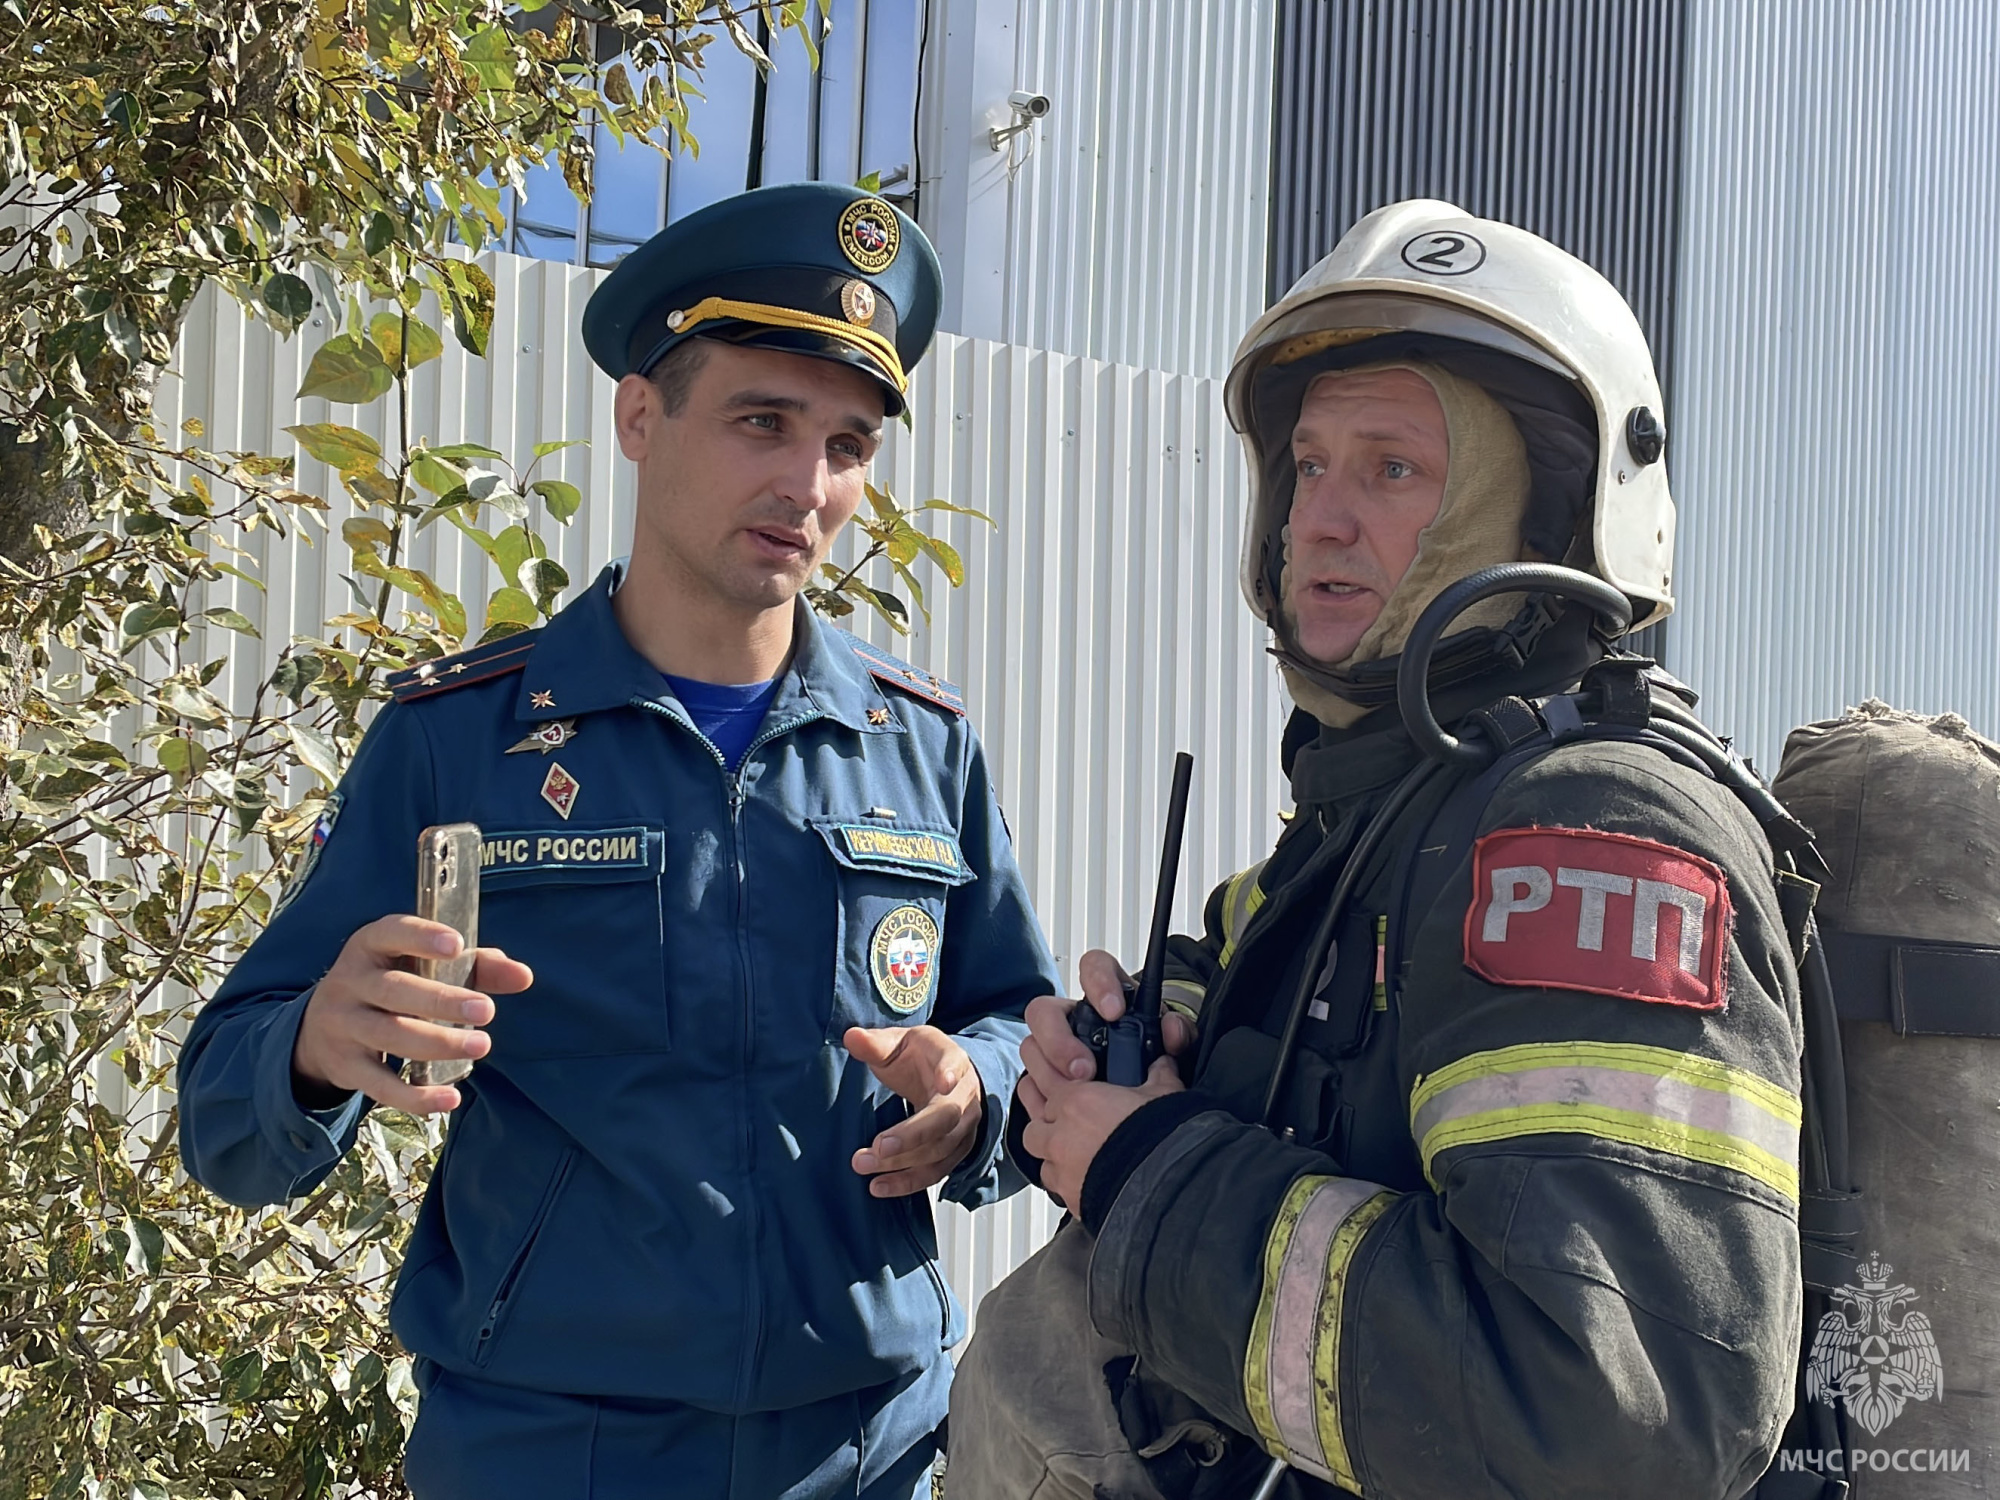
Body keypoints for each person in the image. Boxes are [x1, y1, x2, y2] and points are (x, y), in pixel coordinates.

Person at [178, 182, 1059, 1500]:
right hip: (550, 1450)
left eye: (849, 445)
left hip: (871, 1449)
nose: (807, 486)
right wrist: (312, 1048)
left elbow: (1012, 1017)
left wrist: (976, 1090)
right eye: (762, 422)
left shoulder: (920, 746)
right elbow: (224, 1123)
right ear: (640, 416)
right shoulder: (458, 744)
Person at [948, 200, 1807, 1500]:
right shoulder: (1389, 815)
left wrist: (1146, 1174)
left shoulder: (1587, 839)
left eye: (1393, 470)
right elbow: (1273, 978)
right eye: (1309, 466)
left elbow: (1599, 1421)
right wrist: (1140, 1036)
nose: (1322, 522)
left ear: (1554, 509)